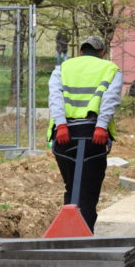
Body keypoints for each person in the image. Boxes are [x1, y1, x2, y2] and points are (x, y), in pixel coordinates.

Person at [47, 35, 123, 231]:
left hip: (64, 135)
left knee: (72, 186)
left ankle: (70, 232)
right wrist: (101, 126)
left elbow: (55, 98)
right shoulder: (110, 69)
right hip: (93, 134)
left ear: (80, 51)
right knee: (88, 189)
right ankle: (82, 232)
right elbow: (110, 99)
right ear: (102, 53)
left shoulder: (62, 68)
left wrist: (62, 125)